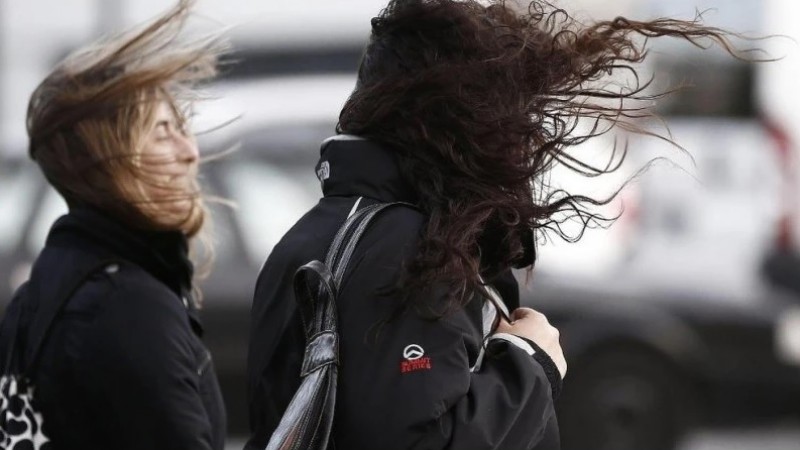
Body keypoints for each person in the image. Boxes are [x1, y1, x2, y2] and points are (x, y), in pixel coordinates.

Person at [245, 1, 745, 449]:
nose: (521, 139)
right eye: (506, 115)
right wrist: (529, 361)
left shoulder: (319, 230)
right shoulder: (403, 244)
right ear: (459, 123)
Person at [0, 1, 227, 449]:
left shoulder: (43, 292)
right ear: (106, 163)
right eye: (162, 132)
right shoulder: (128, 308)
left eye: (183, 128)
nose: (190, 151)